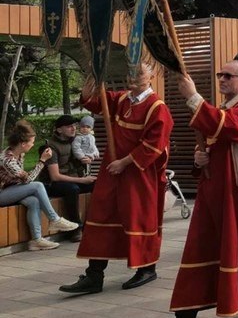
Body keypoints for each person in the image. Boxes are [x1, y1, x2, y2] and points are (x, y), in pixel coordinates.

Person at [144, 60, 238, 318]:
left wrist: (193, 97)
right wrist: (199, 158)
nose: (222, 79)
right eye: (220, 74)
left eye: (228, 76)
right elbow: (215, 140)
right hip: (213, 195)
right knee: (201, 250)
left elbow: (229, 128)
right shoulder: (224, 109)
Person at [59, 62, 175, 295]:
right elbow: (92, 100)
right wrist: (93, 76)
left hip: (138, 174)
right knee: (101, 215)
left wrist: (124, 162)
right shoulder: (121, 99)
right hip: (112, 172)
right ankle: (94, 275)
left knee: (138, 218)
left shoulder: (157, 107)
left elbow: (153, 145)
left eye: (139, 72)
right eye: (130, 71)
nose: (133, 76)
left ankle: (146, 268)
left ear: (151, 75)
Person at [0, 121, 79, 250]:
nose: (32, 145)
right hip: (2, 194)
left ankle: (36, 240)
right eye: (31, 142)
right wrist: (42, 160)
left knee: (33, 201)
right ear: (23, 144)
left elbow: (23, 180)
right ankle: (54, 220)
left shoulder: (19, 153)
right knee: (37, 186)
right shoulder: (7, 160)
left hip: (12, 189)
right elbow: (28, 180)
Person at [38, 115, 96, 237]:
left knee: (98, 185)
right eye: (69, 126)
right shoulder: (50, 147)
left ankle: (91, 224)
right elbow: (55, 176)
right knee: (72, 189)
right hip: (51, 184)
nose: (74, 129)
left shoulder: (76, 141)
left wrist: (88, 158)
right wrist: (82, 180)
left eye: (75, 126)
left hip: (72, 179)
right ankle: (75, 228)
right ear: (59, 130)